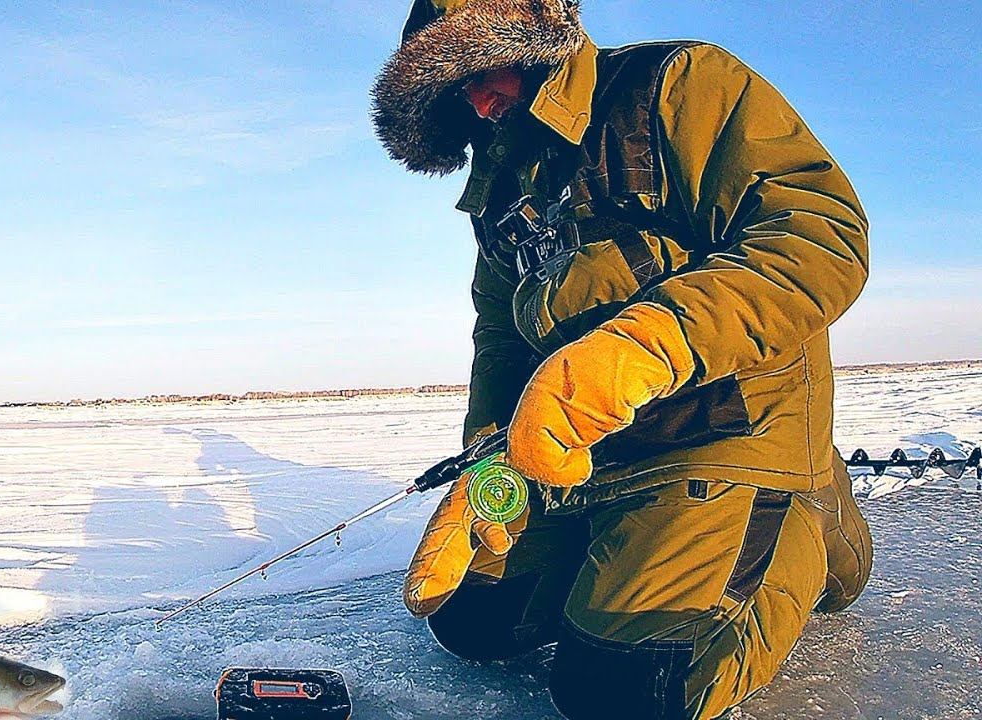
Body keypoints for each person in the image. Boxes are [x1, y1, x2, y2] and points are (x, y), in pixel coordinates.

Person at [370, 1, 875, 717]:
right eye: (455, 91)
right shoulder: (503, 183)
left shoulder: (675, 84)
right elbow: (501, 334)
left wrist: (641, 349)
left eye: (482, 70)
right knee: (474, 620)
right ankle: (616, 552)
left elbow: (819, 238)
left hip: (722, 432)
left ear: (528, 42)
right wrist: (492, 458)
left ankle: (809, 512)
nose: (478, 103)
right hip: (594, 458)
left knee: (622, 693)